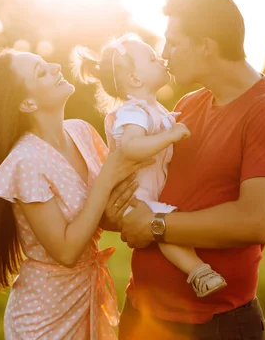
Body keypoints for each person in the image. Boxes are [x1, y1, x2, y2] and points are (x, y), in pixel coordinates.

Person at [117, 0, 265, 339]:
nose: (164, 54)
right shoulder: (187, 106)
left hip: (212, 325)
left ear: (205, 46)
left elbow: (255, 220)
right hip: (140, 316)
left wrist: (156, 226)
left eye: (173, 43)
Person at [0, 49, 151, 339]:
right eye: (41, 71)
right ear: (27, 102)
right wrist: (107, 180)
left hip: (86, 296)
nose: (55, 67)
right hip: (44, 315)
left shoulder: (81, 132)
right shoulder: (26, 161)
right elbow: (67, 251)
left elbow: (100, 214)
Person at [72, 33, 227, 298]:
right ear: (135, 79)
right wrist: (170, 135)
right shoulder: (133, 112)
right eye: (153, 58)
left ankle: (197, 270)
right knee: (167, 227)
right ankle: (198, 272)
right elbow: (130, 148)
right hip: (135, 198)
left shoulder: (156, 110)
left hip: (148, 193)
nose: (162, 59)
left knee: (170, 225)